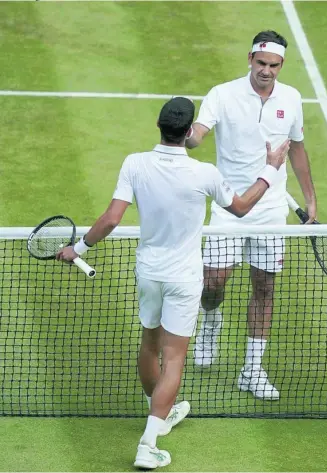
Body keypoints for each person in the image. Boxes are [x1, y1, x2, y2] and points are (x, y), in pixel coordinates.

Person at [56, 97, 289, 469]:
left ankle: (159, 411)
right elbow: (243, 207)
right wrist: (271, 168)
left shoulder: (134, 163)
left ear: (159, 126)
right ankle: (148, 443)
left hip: (148, 272)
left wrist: (78, 247)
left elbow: (112, 218)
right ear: (189, 132)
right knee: (175, 357)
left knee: (150, 347)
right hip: (183, 277)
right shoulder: (204, 174)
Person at [186, 30, 317, 401]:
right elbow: (198, 134)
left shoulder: (291, 99)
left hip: (272, 211)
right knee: (212, 283)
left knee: (265, 288)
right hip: (228, 207)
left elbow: (298, 152)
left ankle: (252, 370)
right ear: (250, 59)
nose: (267, 71)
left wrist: (311, 202)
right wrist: (189, 137)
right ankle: (210, 322)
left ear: (281, 65)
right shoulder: (222, 94)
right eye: (261, 64)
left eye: (274, 66)